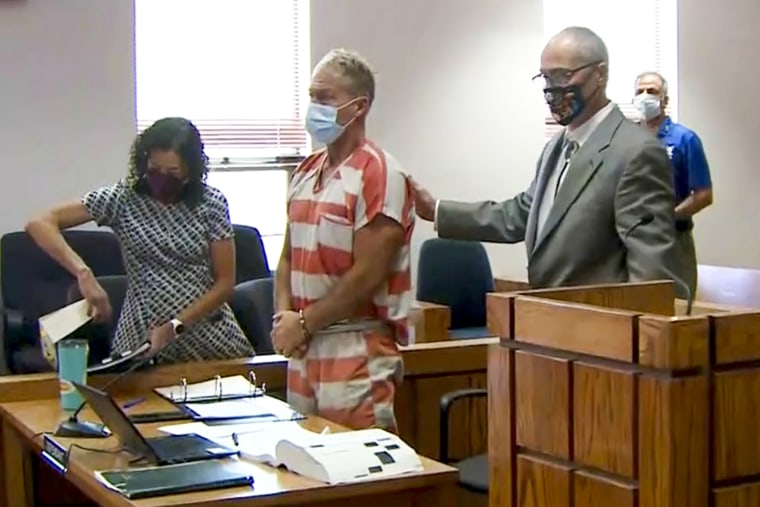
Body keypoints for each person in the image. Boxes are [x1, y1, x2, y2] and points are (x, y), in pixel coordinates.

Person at [411, 27, 681, 292]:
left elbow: (651, 275)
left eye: (563, 75)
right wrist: (435, 210)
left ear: (600, 74)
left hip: (602, 325)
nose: (553, 89)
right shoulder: (557, 145)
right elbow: (523, 215)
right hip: (550, 317)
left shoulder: (636, 151)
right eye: (546, 78)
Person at [25, 117, 254, 363]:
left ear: (191, 169)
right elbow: (39, 223)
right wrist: (84, 274)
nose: (162, 179)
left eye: (173, 173)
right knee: (130, 397)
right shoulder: (123, 199)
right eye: (155, 170)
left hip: (206, 333)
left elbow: (225, 283)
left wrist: (176, 325)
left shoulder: (211, 203)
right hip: (142, 333)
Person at [272, 49, 415, 431]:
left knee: (358, 468)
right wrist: (286, 320)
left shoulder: (379, 172)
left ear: (359, 107)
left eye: (325, 98)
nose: (314, 107)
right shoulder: (306, 170)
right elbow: (288, 257)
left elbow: (367, 275)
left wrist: (303, 323)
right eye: (312, 97)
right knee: (305, 468)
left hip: (355, 347)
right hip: (304, 345)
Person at [633, 71, 712, 295]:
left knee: (676, 305)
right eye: (640, 92)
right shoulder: (626, 138)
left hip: (674, 239)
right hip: (633, 239)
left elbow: (704, 194)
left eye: (652, 91)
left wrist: (668, 217)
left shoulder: (685, 139)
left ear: (664, 100)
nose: (645, 96)